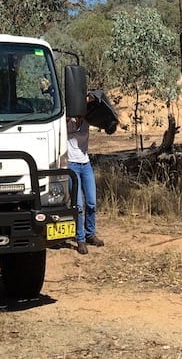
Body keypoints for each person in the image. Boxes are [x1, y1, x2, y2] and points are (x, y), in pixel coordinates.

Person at [67, 109, 104, 255]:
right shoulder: (66, 121)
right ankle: (80, 238)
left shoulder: (88, 120)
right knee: (78, 205)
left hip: (85, 163)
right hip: (71, 165)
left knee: (91, 202)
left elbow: (104, 122)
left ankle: (90, 234)